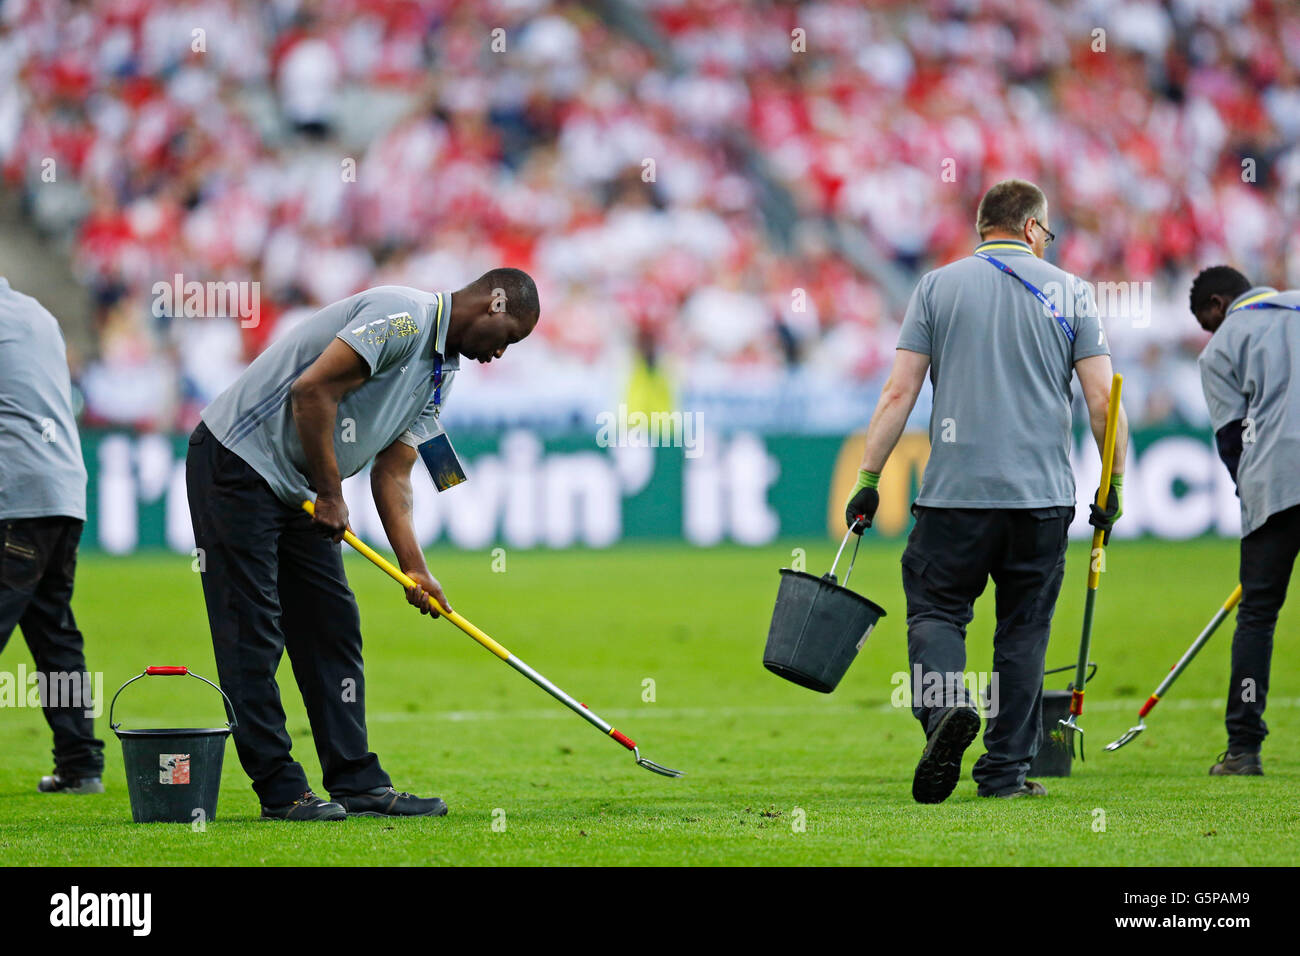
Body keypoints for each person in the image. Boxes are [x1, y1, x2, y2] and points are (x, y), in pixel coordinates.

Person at [186, 268, 539, 820]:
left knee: (332, 626)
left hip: (302, 488)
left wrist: (416, 569)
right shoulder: (401, 315)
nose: (501, 354)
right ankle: (282, 790)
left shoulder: (444, 374)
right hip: (237, 460)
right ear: (493, 306)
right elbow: (312, 391)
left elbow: (394, 474)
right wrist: (331, 493)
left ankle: (357, 782)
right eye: (508, 338)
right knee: (251, 631)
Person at [841, 179, 1127, 803]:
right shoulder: (1073, 292)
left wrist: (868, 479)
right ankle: (1004, 775)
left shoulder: (936, 287)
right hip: (1042, 497)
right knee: (1023, 631)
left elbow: (898, 393)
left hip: (954, 496)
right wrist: (1114, 484)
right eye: (1046, 232)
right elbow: (1105, 400)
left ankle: (945, 710)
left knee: (938, 610)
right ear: (1030, 228)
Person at [1190, 265, 1300, 776]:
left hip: (1275, 484)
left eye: (1207, 322)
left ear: (1217, 305)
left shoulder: (1221, 346)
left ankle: (1243, 749)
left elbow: (1231, 440)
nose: (1211, 332)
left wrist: (1254, 501)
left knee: (1257, 616)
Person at [0, 277, 105, 794]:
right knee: (53, 631)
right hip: (64, 493)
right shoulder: (36, 313)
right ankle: (80, 764)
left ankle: (81, 762)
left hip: (13, 495)